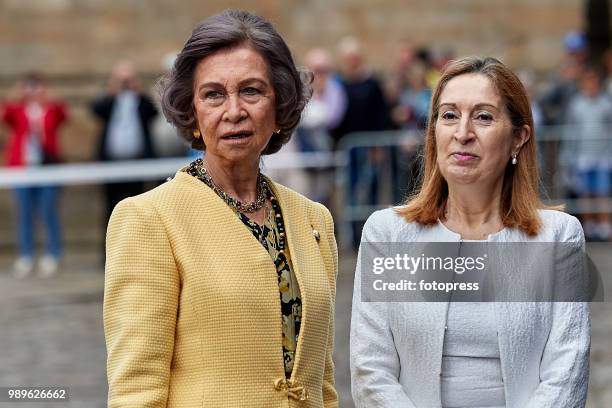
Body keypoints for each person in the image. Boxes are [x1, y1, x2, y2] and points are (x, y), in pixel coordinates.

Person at [103, 10, 338, 408]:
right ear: (192, 112)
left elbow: (321, 378)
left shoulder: (314, 218)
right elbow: (136, 387)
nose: (233, 111)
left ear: (279, 106)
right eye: (214, 94)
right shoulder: (149, 219)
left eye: (251, 90)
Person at [350, 57, 590, 407]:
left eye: (483, 116)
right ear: (433, 132)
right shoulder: (387, 234)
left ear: (518, 138)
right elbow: (370, 369)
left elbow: (567, 371)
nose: (463, 133)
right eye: (449, 115)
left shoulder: (558, 238)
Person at [1, 73, 67, 278]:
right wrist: (17, 93)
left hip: (46, 166)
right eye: (29, 87)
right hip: (22, 168)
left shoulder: (51, 109)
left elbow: (63, 114)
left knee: (48, 211)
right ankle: (26, 255)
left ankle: (53, 254)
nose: (33, 91)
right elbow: (5, 115)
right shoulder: (18, 109)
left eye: (36, 87)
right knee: (24, 213)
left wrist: (45, 98)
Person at [90, 60, 158, 259]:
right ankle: (110, 255)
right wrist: (112, 89)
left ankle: (135, 252)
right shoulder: (110, 102)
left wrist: (138, 89)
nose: (126, 83)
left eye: (128, 79)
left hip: (137, 164)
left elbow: (153, 111)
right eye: (122, 80)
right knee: (110, 209)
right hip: (110, 165)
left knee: (137, 209)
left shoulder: (141, 102)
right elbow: (95, 109)